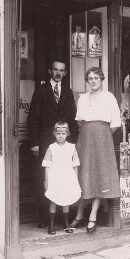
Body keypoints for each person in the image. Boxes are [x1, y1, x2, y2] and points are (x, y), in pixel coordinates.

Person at [70, 67, 121, 233]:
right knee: (84, 173)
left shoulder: (109, 97)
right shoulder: (83, 98)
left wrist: (101, 134)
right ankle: (79, 213)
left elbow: (115, 123)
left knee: (100, 174)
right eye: (90, 78)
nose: (93, 81)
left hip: (102, 137)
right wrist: (89, 132)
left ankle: (92, 214)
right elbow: (79, 121)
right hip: (85, 137)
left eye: (96, 78)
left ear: (101, 80)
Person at [27, 60, 78, 228]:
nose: (58, 73)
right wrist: (34, 143)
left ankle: (63, 218)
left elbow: (72, 117)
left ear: (64, 73)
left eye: (61, 70)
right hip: (45, 142)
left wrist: (74, 143)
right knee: (45, 178)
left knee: (64, 178)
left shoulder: (68, 92)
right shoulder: (41, 91)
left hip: (64, 142)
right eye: (55, 69)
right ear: (50, 71)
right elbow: (33, 117)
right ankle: (44, 218)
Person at [42, 121, 81, 235]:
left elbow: (75, 165)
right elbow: (47, 166)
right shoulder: (51, 148)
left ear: (67, 134)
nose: (60, 136)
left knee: (66, 200)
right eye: (58, 133)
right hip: (55, 177)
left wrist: (76, 180)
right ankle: (52, 224)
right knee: (53, 200)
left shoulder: (71, 147)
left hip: (67, 177)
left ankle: (66, 222)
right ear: (54, 134)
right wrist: (47, 181)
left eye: (63, 133)